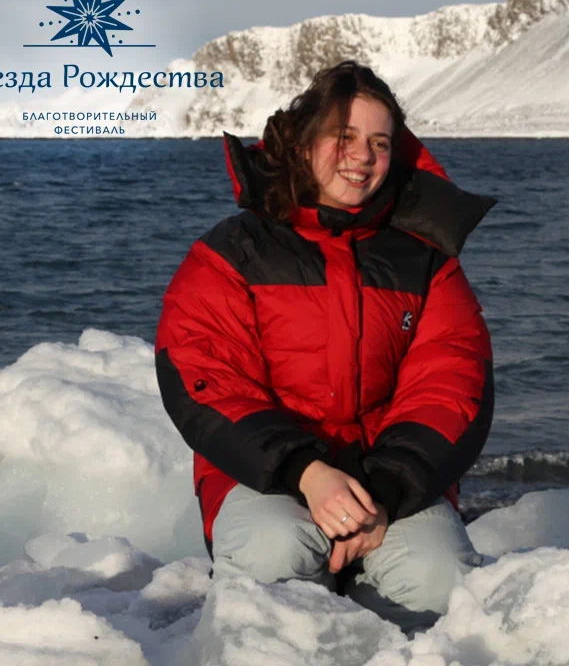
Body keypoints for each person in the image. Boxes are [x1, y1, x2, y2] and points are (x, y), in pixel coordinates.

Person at [155, 61, 495, 632]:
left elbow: (453, 382)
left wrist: (385, 493)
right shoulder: (232, 252)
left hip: (393, 484)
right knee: (273, 552)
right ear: (303, 143)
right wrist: (306, 471)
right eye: (344, 136)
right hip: (265, 477)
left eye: (379, 142)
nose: (362, 156)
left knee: (438, 581)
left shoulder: (428, 262)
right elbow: (204, 375)